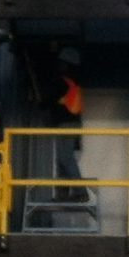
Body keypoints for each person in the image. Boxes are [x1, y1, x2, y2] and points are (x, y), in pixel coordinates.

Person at [48, 47, 83, 193]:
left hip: (67, 124)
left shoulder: (64, 82)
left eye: (61, 63)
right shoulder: (73, 82)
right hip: (70, 123)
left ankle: (81, 192)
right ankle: (63, 192)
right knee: (62, 159)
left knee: (65, 158)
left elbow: (51, 99)